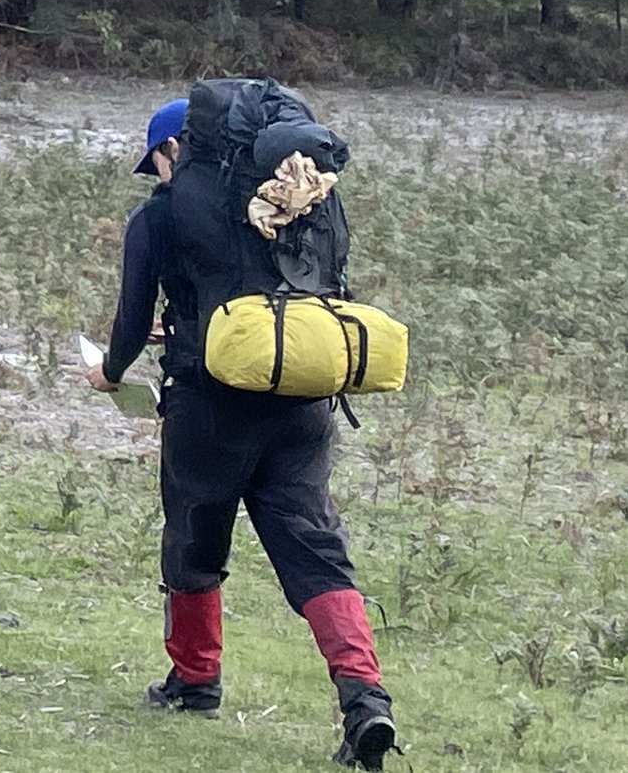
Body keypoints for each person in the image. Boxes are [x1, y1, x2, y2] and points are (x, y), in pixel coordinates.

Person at [90, 87, 398, 770]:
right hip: (303, 404)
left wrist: (108, 373)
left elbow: (131, 320)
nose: (156, 173)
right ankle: (364, 697)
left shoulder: (161, 214)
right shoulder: (302, 203)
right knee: (317, 551)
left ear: (177, 148)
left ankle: (195, 679)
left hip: (210, 405)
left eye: (156, 159)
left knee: (193, 536)